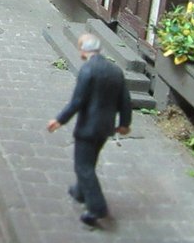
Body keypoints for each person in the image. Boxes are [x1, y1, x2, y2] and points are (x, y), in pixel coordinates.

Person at [46, 34, 131, 227]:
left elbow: (77, 101)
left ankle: (97, 208)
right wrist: (125, 123)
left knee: (83, 166)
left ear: (84, 51)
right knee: (90, 161)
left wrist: (59, 120)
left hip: (88, 127)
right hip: (106, 127)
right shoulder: (116, 71)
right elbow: (125, 100)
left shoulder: (87, 71)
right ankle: (80, 191)